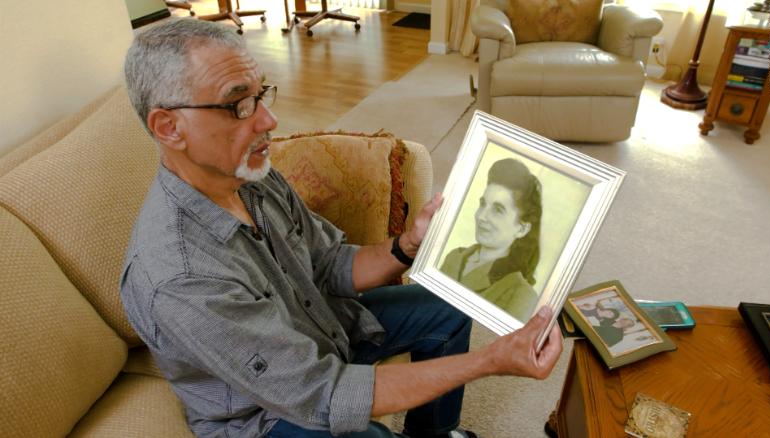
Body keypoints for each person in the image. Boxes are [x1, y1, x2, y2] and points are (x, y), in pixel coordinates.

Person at [119, 18, 562, 438]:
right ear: (168, 127)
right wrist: (490, 361)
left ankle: (433, 431)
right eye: (239, 104)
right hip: (265, 413)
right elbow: (323, 393)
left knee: (450, 306)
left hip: (319, 328)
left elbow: (330, 263)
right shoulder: (181, 277)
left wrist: (407, 245)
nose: (268, 121)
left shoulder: (252, 177)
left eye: (262, 94)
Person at [440, 158, 542, 322]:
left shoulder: (521, 294)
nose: (481, 216)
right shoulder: (454, 257)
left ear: (522, 229)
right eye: (482, 204)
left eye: (498, 210)